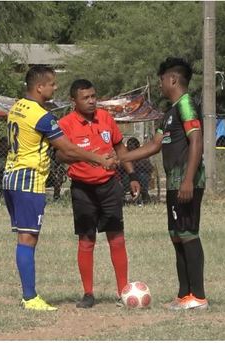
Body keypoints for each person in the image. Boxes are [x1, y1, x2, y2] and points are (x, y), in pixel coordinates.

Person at [3, 66, 117, 311]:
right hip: (28, 179)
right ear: (39, 87)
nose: (55, 88)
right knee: (28, 238)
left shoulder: (16, 107)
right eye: (52, 84)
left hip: (10, 176)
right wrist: (99, 159)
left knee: (24, 237)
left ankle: (29, 295)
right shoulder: (42, 116)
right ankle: (30, 297)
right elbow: (68, 148)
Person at [119, 57, 208, 310]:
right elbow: (154, 145)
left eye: (161, 80)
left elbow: (197, 141)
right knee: (177, 236)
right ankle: (184, 295)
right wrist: (120, 157)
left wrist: (189, 179)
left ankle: (198, 297)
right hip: (173, 184)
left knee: (188, 235)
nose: (160, 85)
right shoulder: (169, 113)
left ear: (172, 79)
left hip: (186, 182)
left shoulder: (187, 105)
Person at [56, 79, 141, 309]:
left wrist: (132, 176)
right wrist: (85, 156)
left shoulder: (106, 118)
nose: (92, 101)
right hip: (83, 189)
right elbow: (61, 156)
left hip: (110, 186)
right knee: (86, 240)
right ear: (74, 101)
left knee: (117, 237)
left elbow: (120, 148)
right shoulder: (65, 124)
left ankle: (123, 291)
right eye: (86, 97)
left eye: (94, 96)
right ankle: (88, 293)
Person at [119, 137, 154, 203]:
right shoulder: (125, 154)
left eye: (133, 145)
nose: (131, 147)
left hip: (140, 174)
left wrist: (138, 164)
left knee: (143, 176)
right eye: (129, 145)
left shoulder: (142, 153)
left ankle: (144, 194)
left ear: (137, 146)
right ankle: (127, 195)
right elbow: (120, 166)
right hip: (128, 175)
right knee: (126, 177)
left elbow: (150, 168)